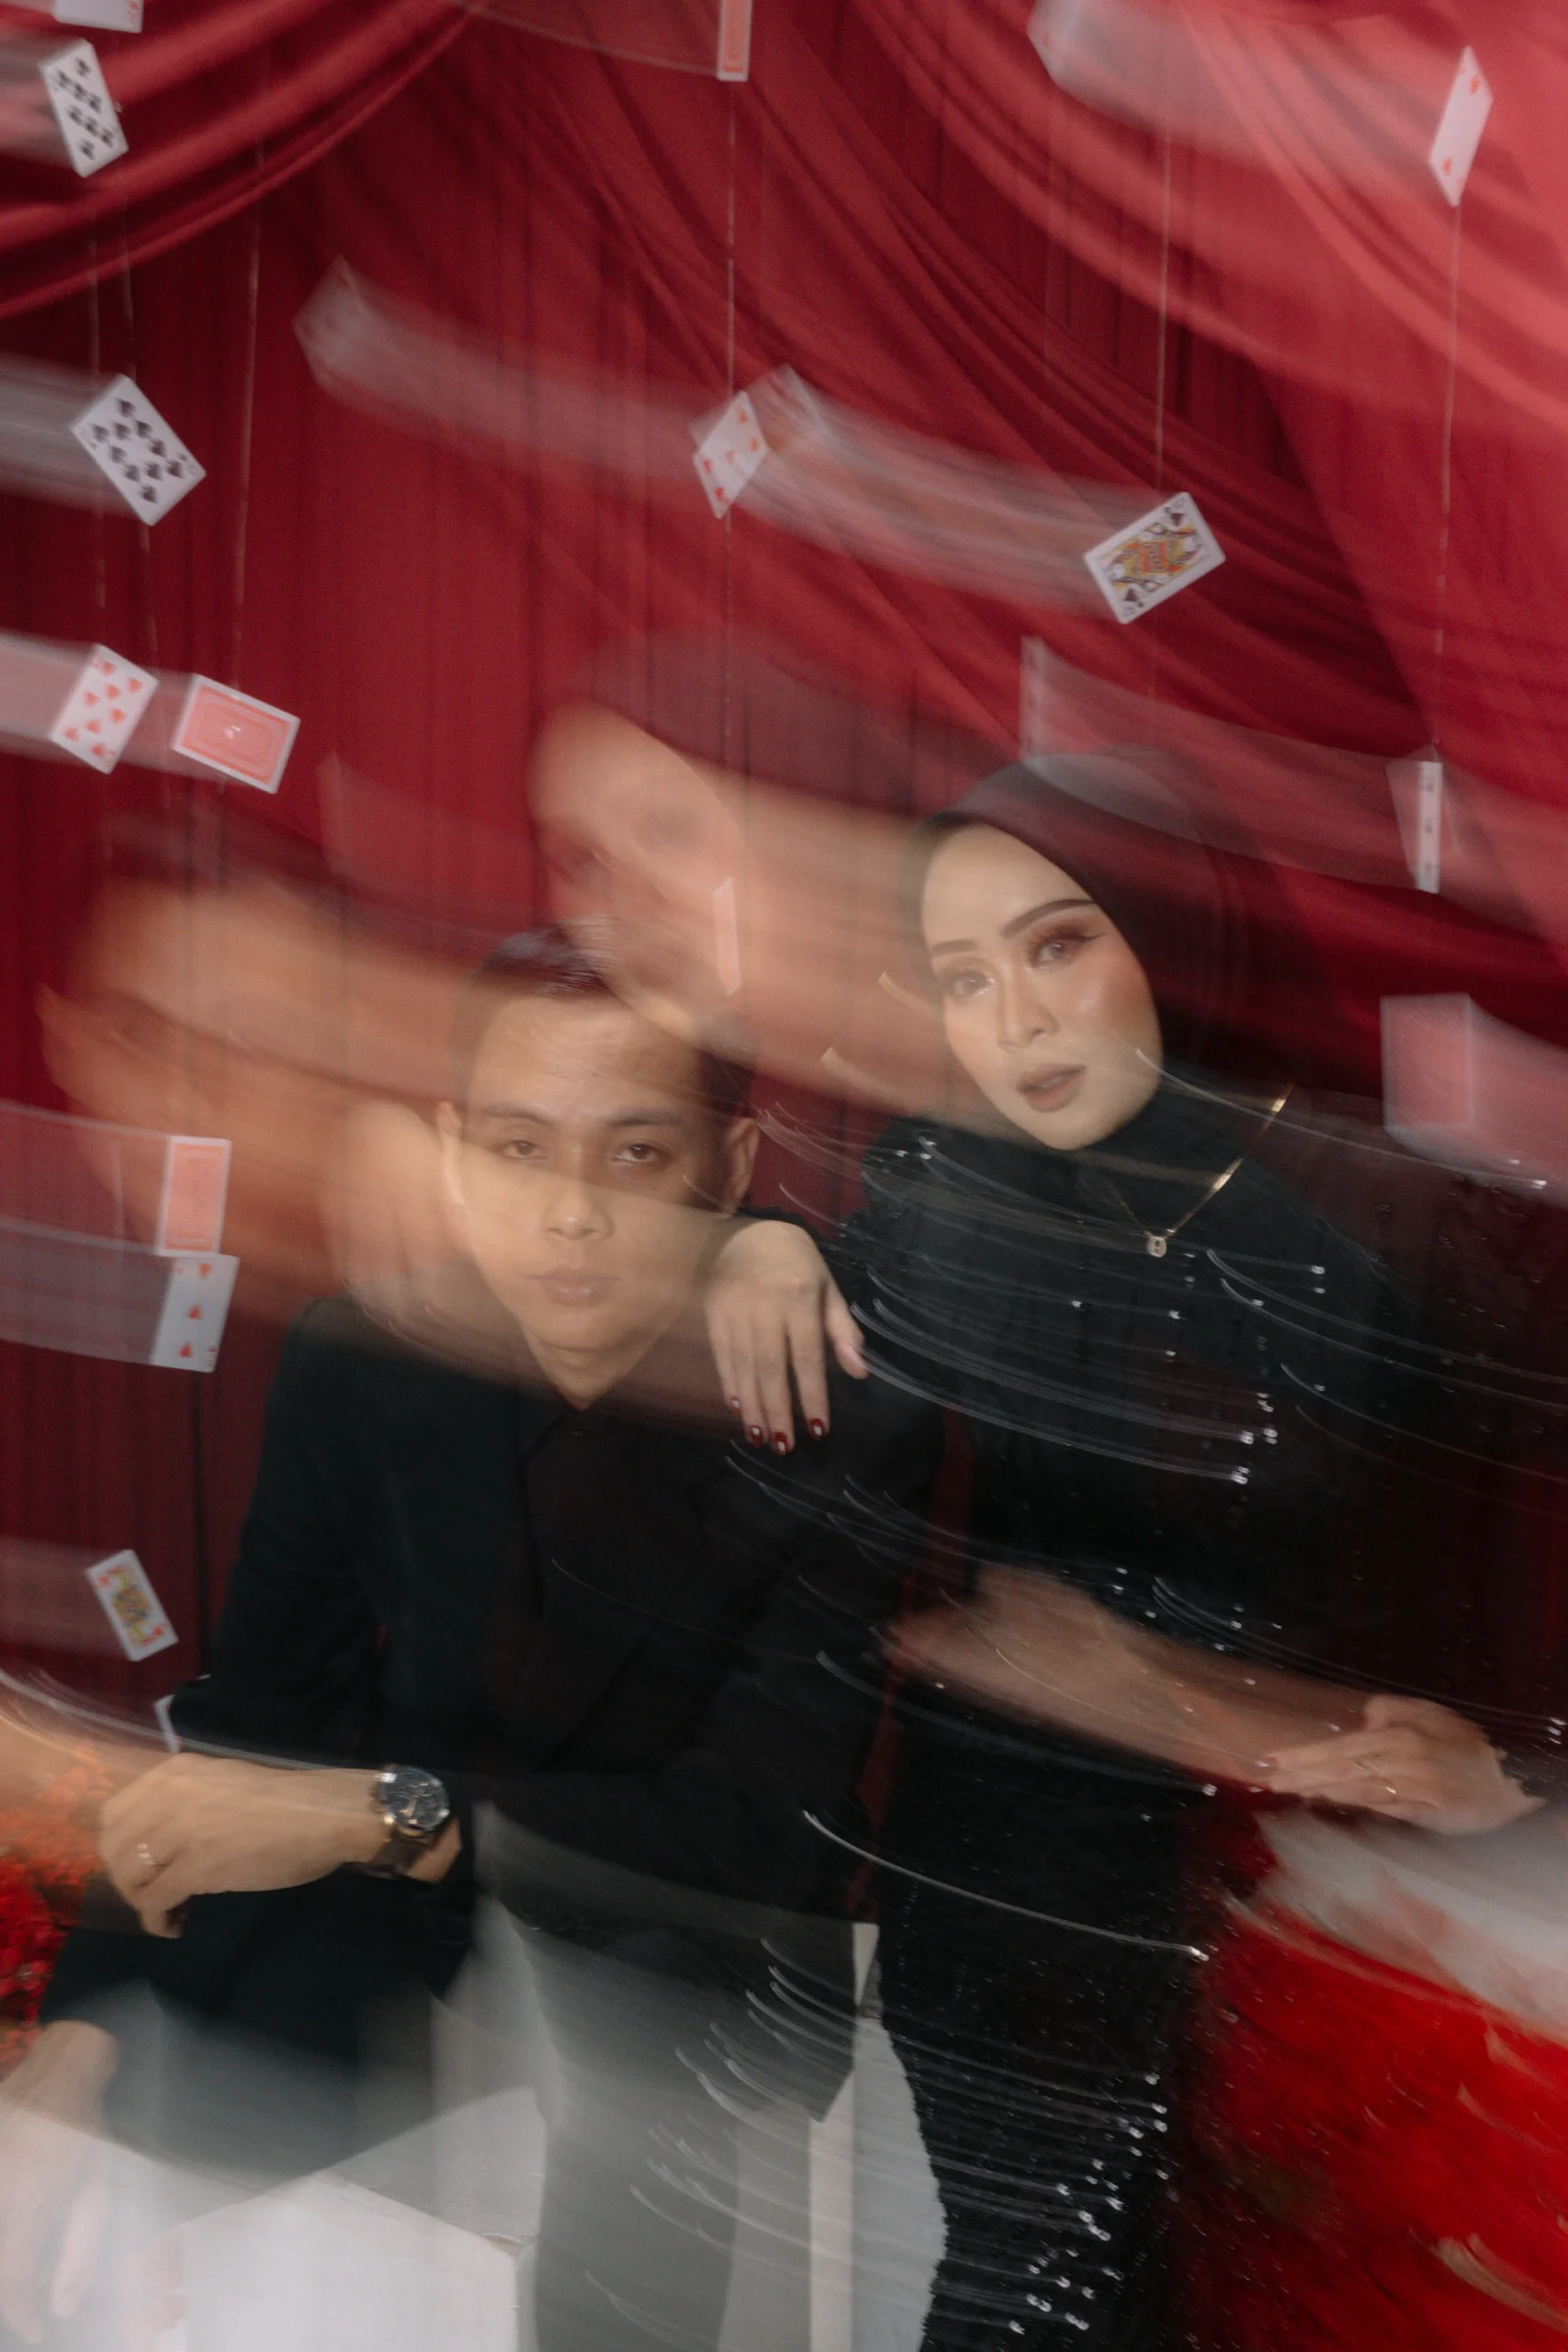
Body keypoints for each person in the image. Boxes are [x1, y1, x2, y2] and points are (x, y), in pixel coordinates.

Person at [702, 752, 1547, 2350]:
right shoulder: (943, 1191)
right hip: (1012, 1878)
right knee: (1034, 2295)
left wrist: (1507, 1760)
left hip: (1293, 1894)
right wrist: (762, 1244)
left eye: (1055, 946)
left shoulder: (1391, 1215)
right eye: (962, 978)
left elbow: (1504, 1541)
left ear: (1175, 932)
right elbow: (800, 1432)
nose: (1013, 1022)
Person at [0, 926, 935, 2351]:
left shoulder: (836, 1418)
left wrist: (380, 1814)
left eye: (634, 1155)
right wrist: (92, 2023)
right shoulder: (363, 1356)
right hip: (406, 1888)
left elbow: (744, 1831)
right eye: (516, 1148)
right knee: (115, 2152)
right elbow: (260, 1713)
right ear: (452, 1151)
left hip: (693, 1930)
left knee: (626, 2118)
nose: (568, 1216)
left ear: (729, 1166)